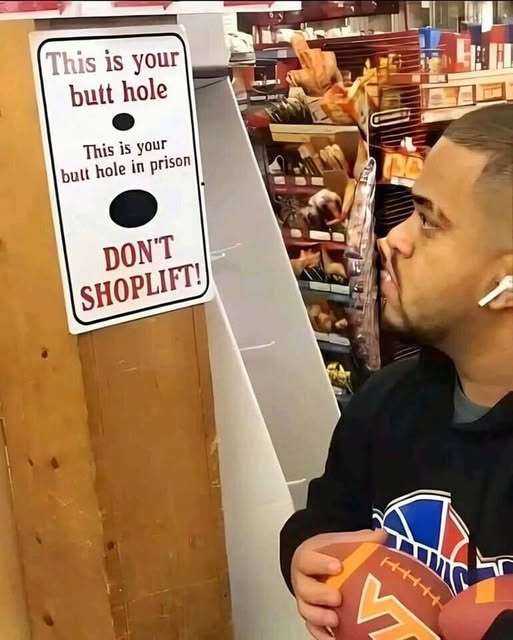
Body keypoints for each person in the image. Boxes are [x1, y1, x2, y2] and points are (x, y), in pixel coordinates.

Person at [280, 103, 513, 640]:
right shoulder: (386, 401)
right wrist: (303, 554)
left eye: (429, 222)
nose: (393, 240)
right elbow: (329, 518)